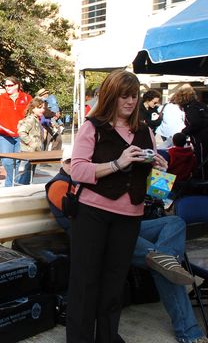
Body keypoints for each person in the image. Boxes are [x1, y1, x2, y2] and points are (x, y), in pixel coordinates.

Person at [45, 148, 204, 343]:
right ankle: (189, 332)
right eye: (69, 161)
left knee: (174, 223)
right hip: (96, 238)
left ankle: (164, 258)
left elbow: (156, 195)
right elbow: (84, 214)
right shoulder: (59, 185)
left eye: (79, 160)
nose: (73, 165)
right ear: (62, 163)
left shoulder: (97, 178)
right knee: (164, 267)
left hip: (124, 226)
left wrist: (160, 174)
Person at [68, 70, 168, 343]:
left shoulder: (145, 131)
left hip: (130, 215)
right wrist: (117, 163)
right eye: (124, 95)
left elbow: (153, 184)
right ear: (112, 96)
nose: (130, 101)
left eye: (134, 95)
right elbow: (76, 170)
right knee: (85, 284)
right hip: (93, 214)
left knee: (114, 285)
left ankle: (108, 338)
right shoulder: (93, 127)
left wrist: (160, 170)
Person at [0, 76, 32, 187]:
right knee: (7, 161)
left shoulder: (26, 98)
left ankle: (12, 184)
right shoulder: (1, 98)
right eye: (6, 85)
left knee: (17, 161)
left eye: (10, 85)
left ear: (17, 85)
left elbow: (33, 114)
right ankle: (11, 182)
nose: (7, 87)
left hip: (21, 135)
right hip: (4, 135)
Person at [174, 84, 208, 178]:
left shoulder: (190, 108)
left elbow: (195, 124)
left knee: (201, 160)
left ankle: (202, 182)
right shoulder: (201, 105)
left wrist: (183, 132)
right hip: (204, 136)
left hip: (201, 139)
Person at [17, 97, 46, 185]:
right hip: (29, 151)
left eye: (43, 108)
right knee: (27, 173)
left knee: (29, 173)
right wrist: (30, 143)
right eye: (39, 107)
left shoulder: (36, 119)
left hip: (34, 151)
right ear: (33, 109)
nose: (42, 110)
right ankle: (21, 191)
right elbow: (21, 131)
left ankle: (24, 189)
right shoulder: (31, 119)